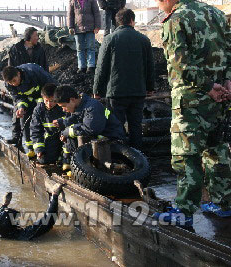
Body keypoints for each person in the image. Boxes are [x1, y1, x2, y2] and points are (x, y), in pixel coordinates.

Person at [152, 0, 231, 227]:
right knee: (217, 149)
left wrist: (207, 86)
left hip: (191, 99)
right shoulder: (216, 13)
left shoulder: (175, 19)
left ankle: (184, 211)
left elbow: (179, 65)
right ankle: (223, 203)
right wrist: (226, 81)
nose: (159, 5)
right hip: (221, 96)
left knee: (186, 155)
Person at [93, 9, 155, 150]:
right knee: (135, 126)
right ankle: (138, 157)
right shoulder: (143, 39)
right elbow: (150, 66)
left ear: (117, 22)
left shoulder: (109, 39)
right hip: (138, 92)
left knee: (116, 125)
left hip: (116, 93)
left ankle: (120, 156)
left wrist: (97, 90)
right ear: (132, 21)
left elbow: (101, 67)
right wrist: (150, 87)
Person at [52, 85, 125, 172]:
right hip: (100, 136)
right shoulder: (80, 104)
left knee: (75, 133)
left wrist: (68, 131)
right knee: (71, 134)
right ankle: (77, 165)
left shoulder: (92, 107)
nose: (63, 110)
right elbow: (76, 118)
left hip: (112, 138)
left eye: (63, 106)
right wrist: (62, 123)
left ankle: (87, 169)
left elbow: (91, 129)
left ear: (72, 100)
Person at [2, 64, 57, 158]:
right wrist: (22, 107)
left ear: (18, 74)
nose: (14, 84)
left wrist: (44, 102)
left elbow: (50, 87)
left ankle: (51, 145)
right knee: (23, 118)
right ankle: (31, 148)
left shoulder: (34, 73)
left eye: (14, 81)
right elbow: (17, 97)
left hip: (42, 96)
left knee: (43, 118)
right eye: (11, 83)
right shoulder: (8, 84)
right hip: (27, 99)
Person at [0, 183, 64, 240]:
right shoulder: (24, 235)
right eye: (17, 219)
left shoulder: (1, 229)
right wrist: (54, 195)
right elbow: (48, 219)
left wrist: (5, 203)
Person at [30, 83, 65, 165]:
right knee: (44, 160)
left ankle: (65, 158)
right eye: (46, 101)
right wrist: (39, 149)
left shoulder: (63, 106)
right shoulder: (39, 110)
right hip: (51, 138)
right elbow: (35, 131)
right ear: (42, 98)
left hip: (65, 137)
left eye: (52, 101)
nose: (49, 104)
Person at [68, 0, 101, 74]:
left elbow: (96, 13)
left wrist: (97, 26)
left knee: (91, 47)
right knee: (80, 48)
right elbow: (70, 14)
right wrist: (70, 27)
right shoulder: (72, 1)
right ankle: (81, 66)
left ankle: (91, 66)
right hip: (78, 28)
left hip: (90, 28)